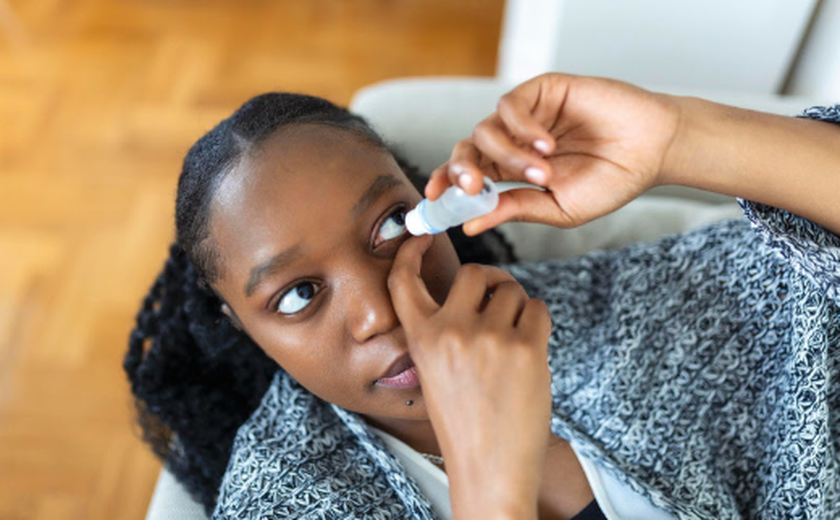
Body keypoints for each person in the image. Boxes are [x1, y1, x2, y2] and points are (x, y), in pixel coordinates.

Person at [126, 73, 840, 520]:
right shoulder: (283, 503)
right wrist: (489, 481)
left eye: (388, 226)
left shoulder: (617, 312)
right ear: (240, 327)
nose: (379, 310)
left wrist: (682, 140)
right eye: (297, 296)